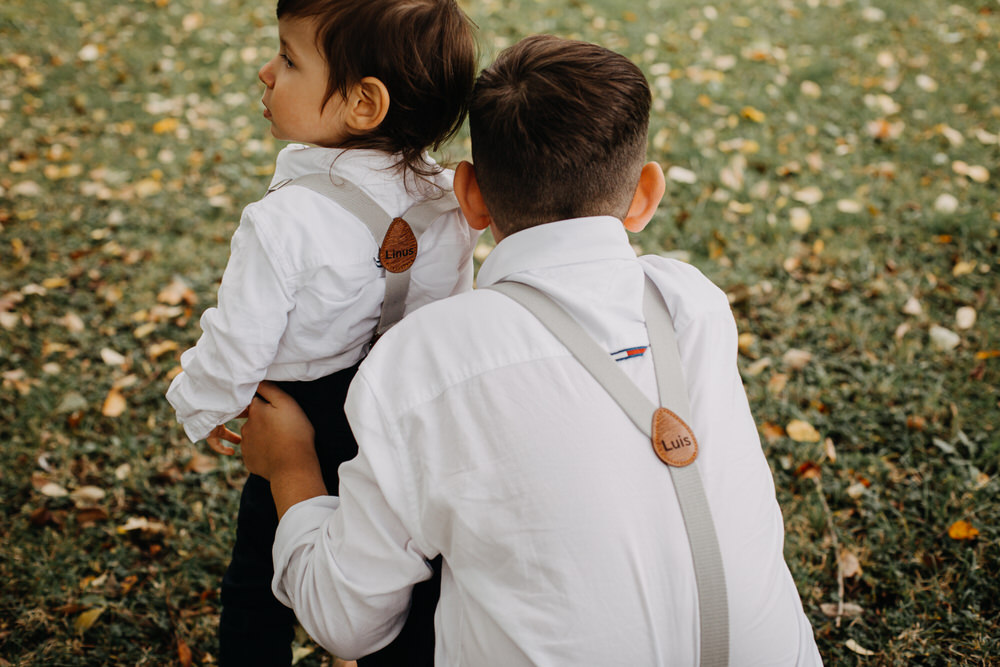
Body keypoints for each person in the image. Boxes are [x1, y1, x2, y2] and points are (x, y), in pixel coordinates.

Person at [241, 34, 823, 665]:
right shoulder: (697, 306)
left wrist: (291, 464)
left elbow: (345, 623)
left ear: (469, 196)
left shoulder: (424, 361)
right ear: (646, 194)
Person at [164, 1, 477, 664]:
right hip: (402, 420)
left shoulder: (285, 220)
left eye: (288, 57)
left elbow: (239, 339)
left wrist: (206, 399)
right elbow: (455, 315)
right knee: (409, 572)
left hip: (297, 420)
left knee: (258, 580)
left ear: (364, 103)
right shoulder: (450, 202)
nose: (265, 71)